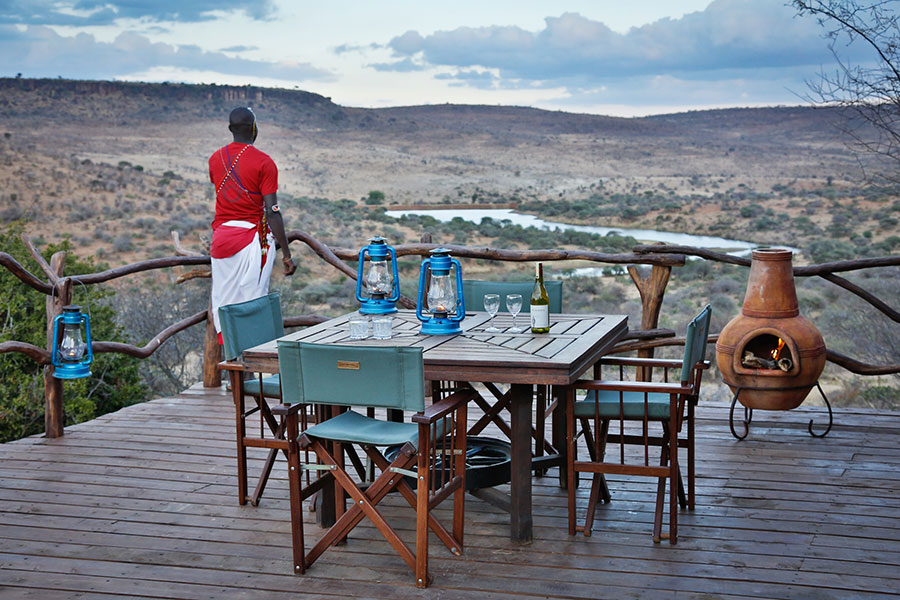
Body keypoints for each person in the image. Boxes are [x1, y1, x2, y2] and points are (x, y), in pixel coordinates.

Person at [208, 107, 295, 343]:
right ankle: (252, 364)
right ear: (254, 128)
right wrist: (287, 255)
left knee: (224, 302)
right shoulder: (264, 163)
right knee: (253, 303)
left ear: (230, 129)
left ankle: (233, 370)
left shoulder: (215, 159)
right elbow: (272, 212)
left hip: (221, 241)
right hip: (251, 240)